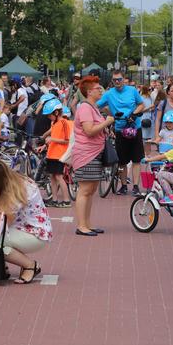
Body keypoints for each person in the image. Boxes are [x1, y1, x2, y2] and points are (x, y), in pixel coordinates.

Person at [72, 76, 114, 236]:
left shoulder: (93, 107)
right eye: (97, 88)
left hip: (95, 152)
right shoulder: (85, 108)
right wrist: (107, 122)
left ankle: (87, 223)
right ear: (89, 92)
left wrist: (105, 130)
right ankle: (81, 225)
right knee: (85, 189)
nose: (100, 90)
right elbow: (89, 130)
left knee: (91, 189)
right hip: (86, 154)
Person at [97, 72, 145, 196]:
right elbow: (96, 105)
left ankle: (135, 186)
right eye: (114, 80)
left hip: (135, 127)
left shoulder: (132, 90)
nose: (117, 82)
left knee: (136, 159)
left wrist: (134, 114)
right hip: (119, 129)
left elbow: (141, 104)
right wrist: (106, 114)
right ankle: (123, 186)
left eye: (119, 79)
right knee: (122, 160)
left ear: (123, 79)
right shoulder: (109, 94)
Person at [40, 100, 72, 208]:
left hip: (59, 155)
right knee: (52, 177)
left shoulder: (64, 123)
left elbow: (67, 141)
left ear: (56, 113)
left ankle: (66, 200)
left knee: (59, 177)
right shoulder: (54, 123)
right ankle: (54, 199)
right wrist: (44, 145)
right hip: (51, 154)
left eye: (49, 115)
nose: (48, 117)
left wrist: (52, 139)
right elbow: (53, 137)